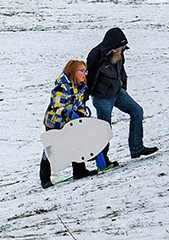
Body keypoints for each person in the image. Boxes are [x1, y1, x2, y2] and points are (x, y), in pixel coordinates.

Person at [85, 27, 158, 160]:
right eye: (117, 49)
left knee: (137, 112)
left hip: (118, 92)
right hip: (102, 98)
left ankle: (137, 148)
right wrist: (85, 96)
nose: (119, 51)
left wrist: (123, 86)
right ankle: (102, 157)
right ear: (109, 47)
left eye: (122, 48)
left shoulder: (120, 52)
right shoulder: (96, 56)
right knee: (105, 128)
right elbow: (90, 78)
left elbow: (121, 70)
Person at [39, 59, 101, 187]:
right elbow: (57, 107)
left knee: (76, 143)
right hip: (55, 123)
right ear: (73, 71)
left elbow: (79, 104)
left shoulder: (80, 87)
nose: (85, 74)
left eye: (85, 71)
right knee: (52, 149)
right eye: (81, 71)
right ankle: (45, 178)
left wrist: (81, 114)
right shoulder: (62, 88)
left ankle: (79, 170)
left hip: (70, 122)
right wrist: (67, 113)